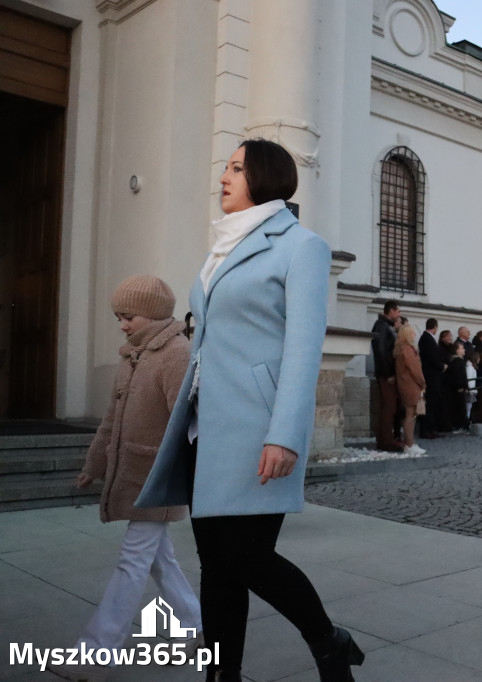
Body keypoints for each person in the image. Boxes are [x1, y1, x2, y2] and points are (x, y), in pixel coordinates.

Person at [135, 139, 363, 681]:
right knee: (215, 564)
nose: (224, 176)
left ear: (263, 175)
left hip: (258, 428)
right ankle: (223, 672)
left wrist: (284, 435)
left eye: (236, 167)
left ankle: (327, 641)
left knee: (248, 558)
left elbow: (304, 346)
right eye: (226, 167)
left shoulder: (301, 246)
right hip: (204, 429)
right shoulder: (221, 248)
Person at [49, 276, 202, 682]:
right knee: (158, 560)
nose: (122, 324)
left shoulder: (176, 354)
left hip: (156, 479)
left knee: (132, 561)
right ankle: (196, 628)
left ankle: (95, 654)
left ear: (151, 313)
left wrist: (185, 475)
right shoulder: (132, 356)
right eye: (118, 316)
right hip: (133, 474)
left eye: (127, 316)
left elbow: (188, 422)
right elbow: (112, 420)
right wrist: (94, 464)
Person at [371, 300, 403, 452]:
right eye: (398, 311)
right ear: (391, 311)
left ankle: (385, 438)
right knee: (388, 407)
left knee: (390, 407)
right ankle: (386, 440)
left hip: (388, 373)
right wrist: (388, 373)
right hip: (386, 374)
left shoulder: (385, 326)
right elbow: (381, 351)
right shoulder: (382, 326)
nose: (399, 314)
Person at [395, 323, 426, 455]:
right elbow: (415, 369)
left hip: (408, 384)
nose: (414, 334)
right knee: (411, 415)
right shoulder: (408, 350)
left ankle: (409, 443)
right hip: (411, 385)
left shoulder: (401, 349)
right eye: (412, 332)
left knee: (411, 415)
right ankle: (409, 444)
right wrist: (423, 383)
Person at [417, 318, 445, 439]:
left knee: (433, 403)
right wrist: (442, 366)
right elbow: (431, 357)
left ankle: (431, 428)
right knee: (430, 403)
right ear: (435, 326)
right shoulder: (426, 339)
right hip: (431, 376)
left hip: (433, 375)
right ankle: (426, 430)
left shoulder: (427, 339)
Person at [443, 341, 470, 432]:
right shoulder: (458, 361)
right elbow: (459, 375)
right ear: (457, 350)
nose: (464, 350)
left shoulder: (454, 361)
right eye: (462, 348)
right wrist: (462, 385)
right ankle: (462, 425)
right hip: (459, 388)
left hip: (456, 388)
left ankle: (460, 425)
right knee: (461, 407)